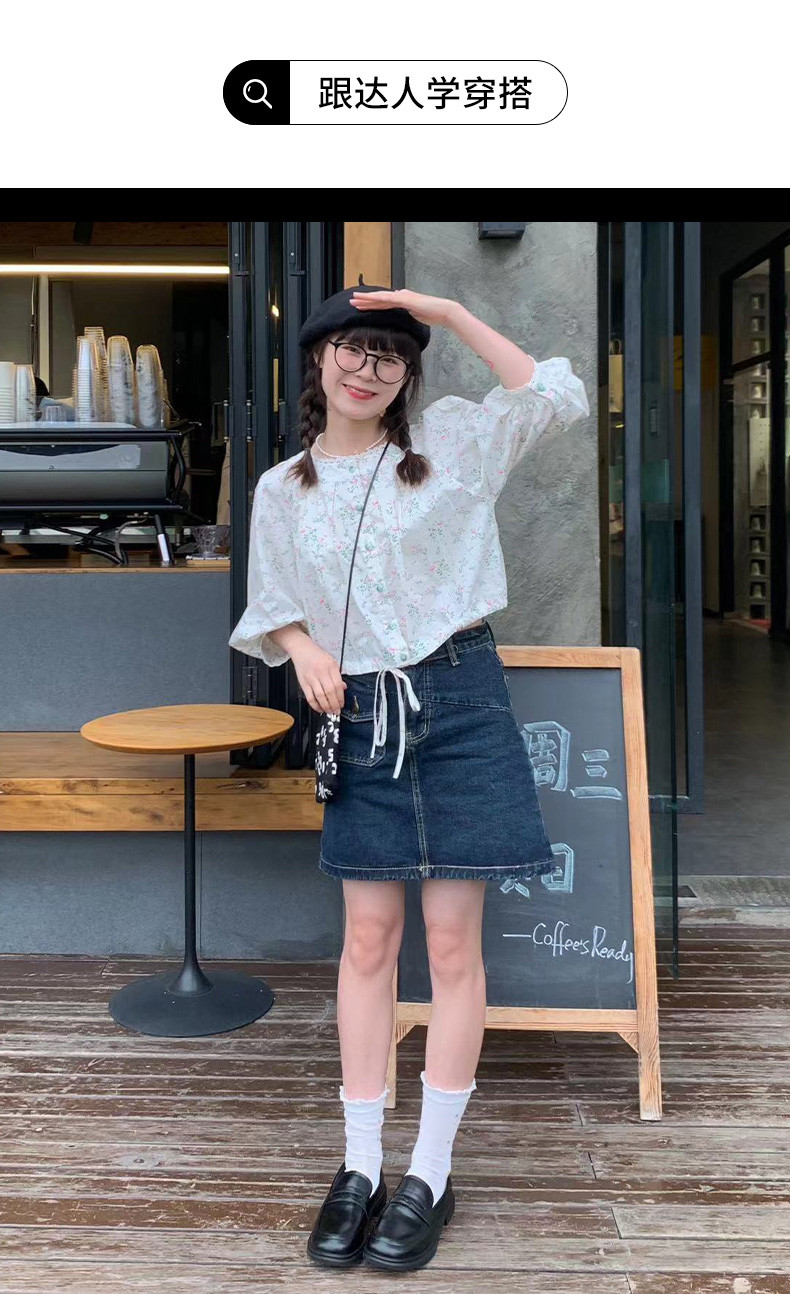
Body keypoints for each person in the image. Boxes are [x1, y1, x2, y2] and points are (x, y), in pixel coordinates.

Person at [228, 284, 589, 1272]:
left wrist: (449, 311)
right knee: (368, 940)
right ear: (319, 360)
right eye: (351, 348)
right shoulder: (282, 487)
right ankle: (359, 1165)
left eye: (389, 353)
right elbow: (272, 598)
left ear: (408, 372)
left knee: (453, 942)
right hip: (363, 712)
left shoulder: (453, 444)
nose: (367, 367)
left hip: (462, 700)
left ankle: (429, 1170)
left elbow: (554, 393)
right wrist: (302, 645)